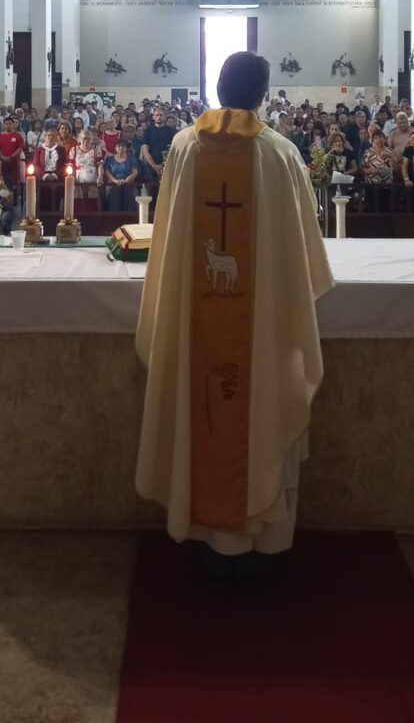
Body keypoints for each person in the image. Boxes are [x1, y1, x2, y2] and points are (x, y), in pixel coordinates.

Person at [136, 52, 333, 573]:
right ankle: (261, 541)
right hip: (259, 330)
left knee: (200, 404)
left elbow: (169, 243)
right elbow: (304, 255)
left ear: (218, 89)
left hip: (198, 321)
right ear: (263, 94)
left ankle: (200, 527)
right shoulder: (282, 154)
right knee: (259, 408)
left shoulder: (182, 149)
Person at [139, 106, 176, 203]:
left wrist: (163, 166)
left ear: (165, 116)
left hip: (167, 167)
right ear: (153, 117)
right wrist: (155, 166)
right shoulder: (148, 131)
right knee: (151, 194)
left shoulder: (171, 132)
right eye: (157, 115)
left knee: (166, 195)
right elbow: (145, 150)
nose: (159, 117)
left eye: (161, 115)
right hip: (151, 168)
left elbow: (173, 150)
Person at [100, 138, 138, 211]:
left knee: (130, 196)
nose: (121, 148)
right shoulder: (110, 159)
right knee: (114, 197)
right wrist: (115, 181)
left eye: (123, 146)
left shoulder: (131, 158)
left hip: (128, 183)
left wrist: (126, 181)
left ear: (126, 148)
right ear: (115, 148)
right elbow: (107, 172)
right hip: (114, 184)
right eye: (119, 146)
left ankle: (130, 218)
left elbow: (135, 172)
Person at [0, 115, 24, 186]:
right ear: (3, 125)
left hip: (14, 163)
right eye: (6, 124)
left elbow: (20, 148)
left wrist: (11, 157)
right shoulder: (0, 137)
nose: (8, 125)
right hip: (3, 164)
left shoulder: (18, 136)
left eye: (10, 123)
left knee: (15, 183)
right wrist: (2, 157)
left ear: (13, 125)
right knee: (3, 183)